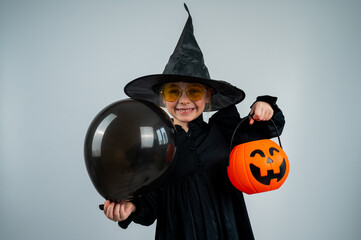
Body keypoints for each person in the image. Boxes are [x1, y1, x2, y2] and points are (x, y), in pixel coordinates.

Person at [102, 4, 285, 240]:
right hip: (180, 232)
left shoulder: (226, 131)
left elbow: (271, 128)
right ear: (161, 98)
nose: (183, 101)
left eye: (195, 92)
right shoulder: (154, 150)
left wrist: (266, 106)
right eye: (172, 92)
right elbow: (151, 203)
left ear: (208, 95)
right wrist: (131, 209)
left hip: (228, 231)